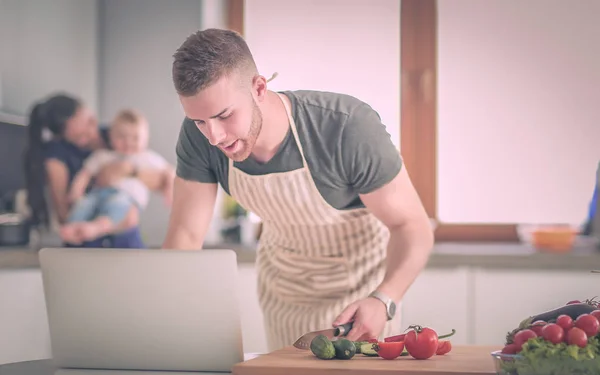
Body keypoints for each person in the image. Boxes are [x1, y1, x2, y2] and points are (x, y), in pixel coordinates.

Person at [162, 28, 434, 351]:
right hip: (284, 299)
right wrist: (164, 321)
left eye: (224, 116)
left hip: (363, 297)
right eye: (199, 122)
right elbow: (184, 236)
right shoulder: (200, 137)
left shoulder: (347, 127)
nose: (214, 137)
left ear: (259, 88)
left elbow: (413, 227)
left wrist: (384, 298)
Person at [24, 93, 169, 248]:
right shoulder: (56, 157)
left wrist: (128, 171)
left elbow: (159, 181)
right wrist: (96, 185)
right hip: (87, 241)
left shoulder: (119, 133)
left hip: (124, 233)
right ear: (64, 138)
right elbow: (64, 215)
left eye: (91, 122)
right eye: (82, 136)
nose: (94, 134)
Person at [60, 109, 174, 245]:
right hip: (98, 195)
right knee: (83, 204)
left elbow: (170, 172)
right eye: (122, 137)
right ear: (111, 136)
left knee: (118, 204)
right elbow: (85, 173)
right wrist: (76, 191)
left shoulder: (147, 158)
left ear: (146, 139)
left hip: (127, 197)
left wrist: (169, 191)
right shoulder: (103, 155)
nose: (128, 142)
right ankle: (72, 228)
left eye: (135, 138)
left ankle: (97, 228)